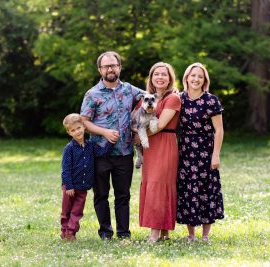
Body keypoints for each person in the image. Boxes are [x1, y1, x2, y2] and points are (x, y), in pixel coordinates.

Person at [80, 51, 144, 240]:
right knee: (101, 195)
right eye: (106, 66)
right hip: (100, 152)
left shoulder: (130, 90)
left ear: (119, 67)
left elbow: (153, 98)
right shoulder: (92, 94)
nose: (110, 69)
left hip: (124, 152)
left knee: (123, 196)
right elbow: (84, 121)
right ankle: (105, 232)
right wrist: (104, 132)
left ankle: (124, 233)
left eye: (113, 65)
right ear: (100, 69)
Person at [176, 62, 225, 242]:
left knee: (206, 190)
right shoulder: (179, 99)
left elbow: (219, 130)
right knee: (188, 190)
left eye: (200, 76)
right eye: (193, 75)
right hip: (186, 151)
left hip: (205, 150)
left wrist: (216, 154)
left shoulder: (211, 100)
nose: (196, 79)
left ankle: (205, 235)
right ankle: (191, 235)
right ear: (186, 78)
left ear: (204, 80)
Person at [138, 62, 181, 242]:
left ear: (170, 78)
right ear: (151, 77)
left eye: (164, 74)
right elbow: (137, 120)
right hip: (150, 147)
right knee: (152, 184)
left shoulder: (173, 98)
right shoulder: (147, 98)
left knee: (160, 185)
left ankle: (154, 234)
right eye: (156, 74)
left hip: (165, 142)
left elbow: (161, 124)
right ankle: (164, 232)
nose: (160, 77)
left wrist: (139, 136)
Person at [60, 113, 112, 241]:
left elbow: (102, 152)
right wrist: (69, 186)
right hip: (69, 187)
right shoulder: (69, 148)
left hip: (82, 187)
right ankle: (64, 231)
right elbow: (65, 170)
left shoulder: (91, 146)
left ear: (84, 127)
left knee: (77, 211)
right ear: (69, 133)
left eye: (78, 128)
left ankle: (71, 232)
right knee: (66, 210)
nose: (77, 132)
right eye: (73, 130)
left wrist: (111, 141)